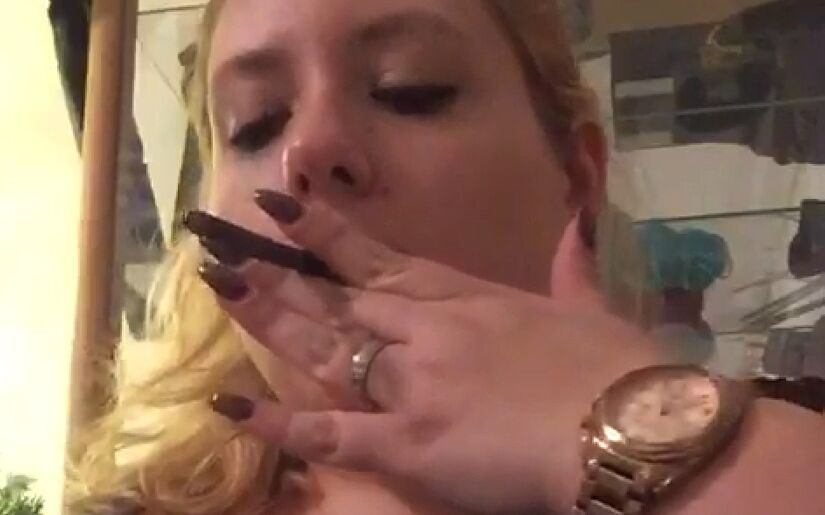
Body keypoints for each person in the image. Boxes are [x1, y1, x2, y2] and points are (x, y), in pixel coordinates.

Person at [68, 1, 825, 514]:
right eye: (255, 123)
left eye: (410, 90)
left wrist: (624, 433)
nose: (309, 149)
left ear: (576, 175)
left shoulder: (776, 450)